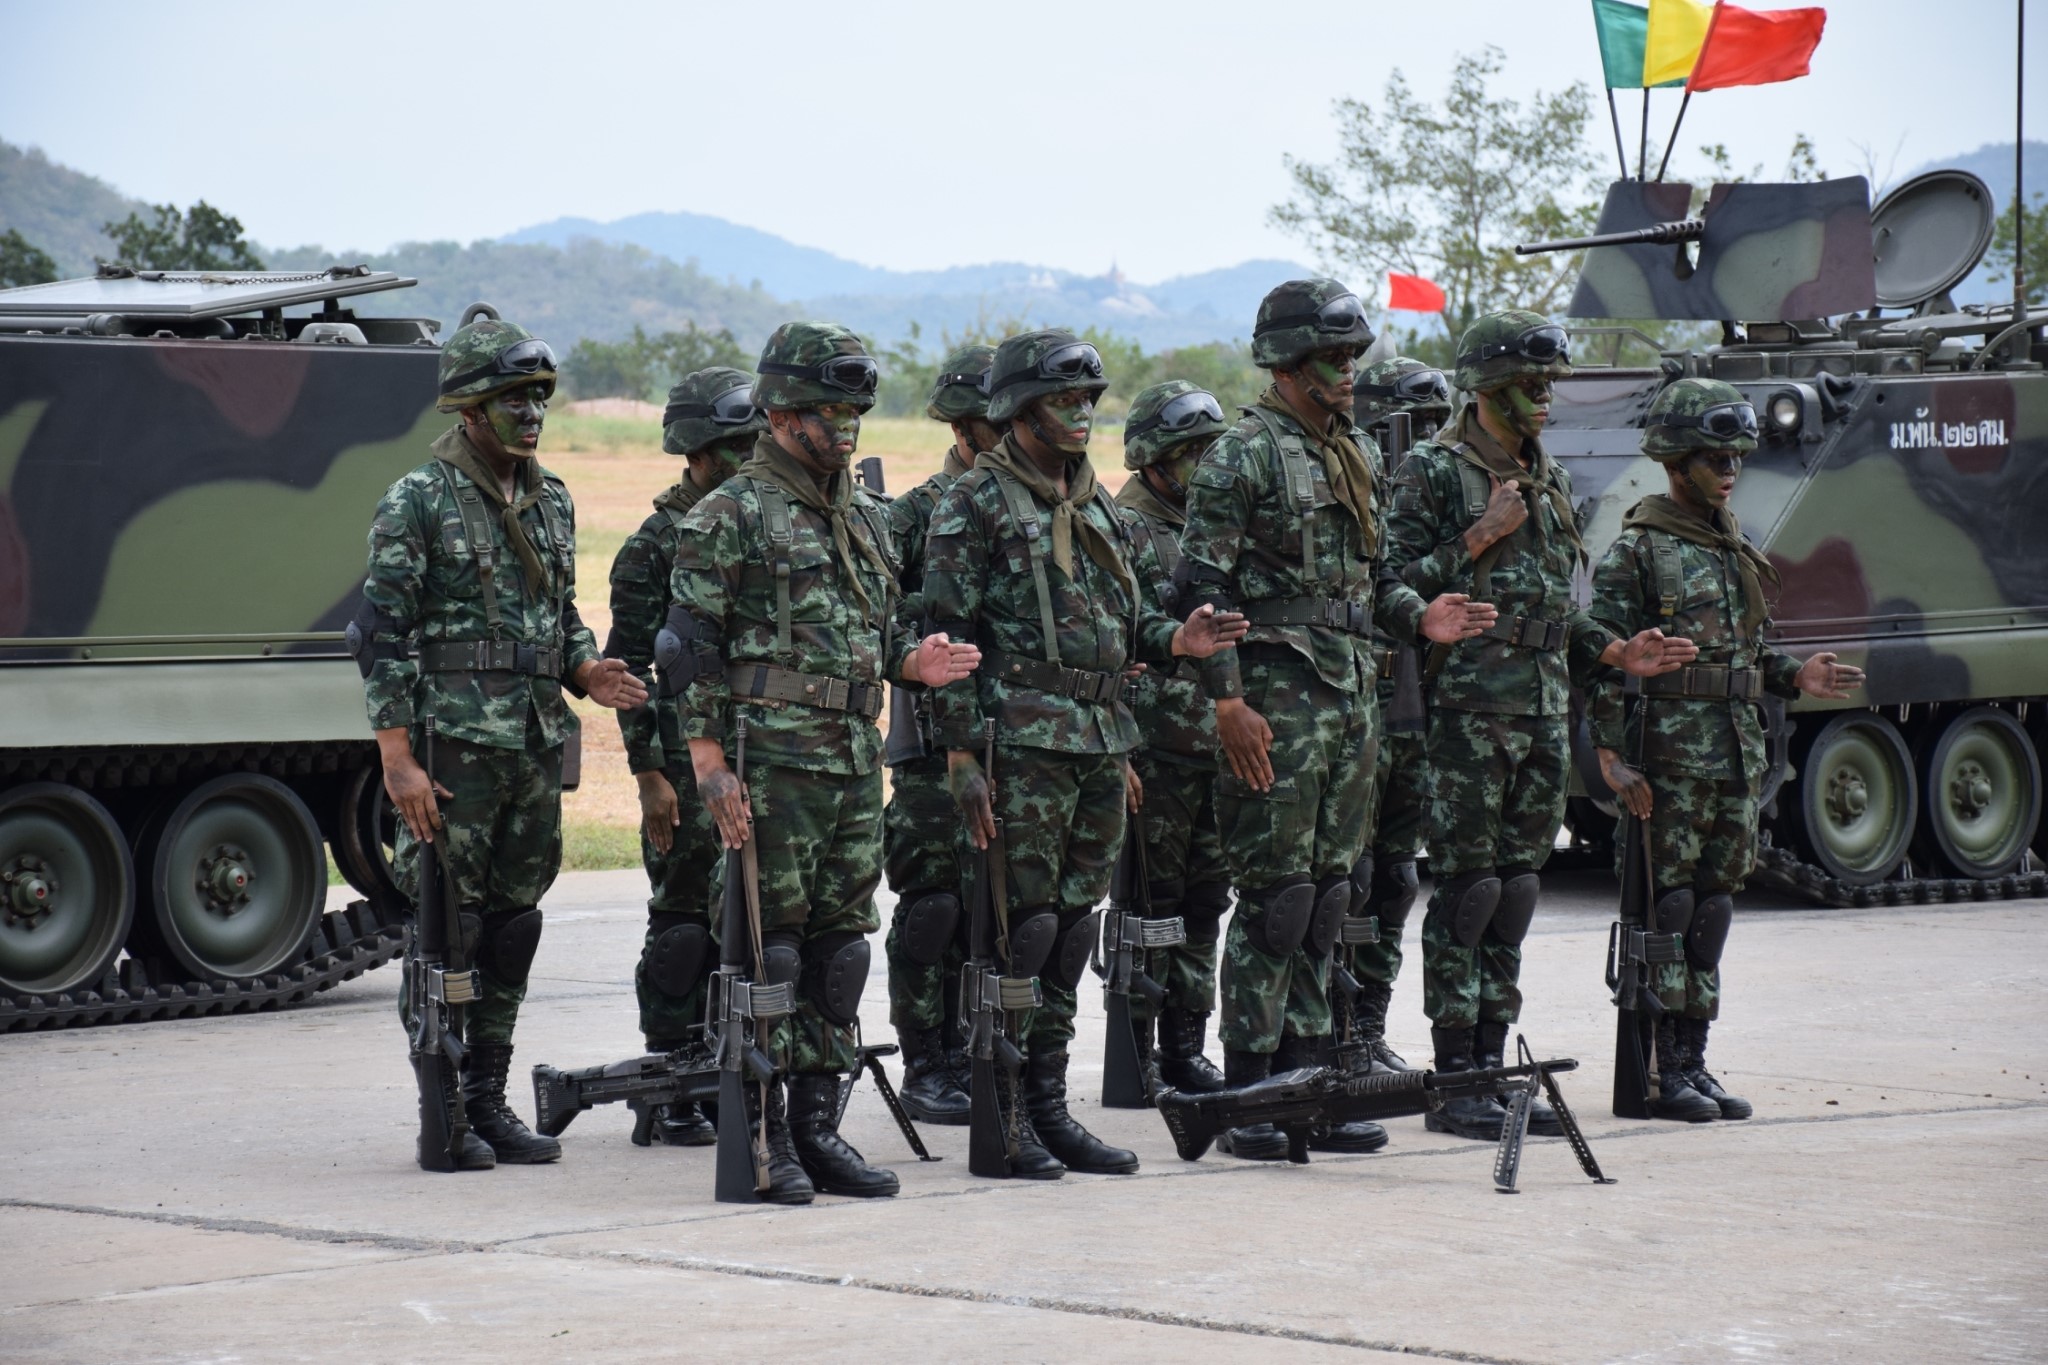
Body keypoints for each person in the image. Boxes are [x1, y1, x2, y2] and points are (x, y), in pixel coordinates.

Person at [1176, 279, 1495, 1161]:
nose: (1351, 371)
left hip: (1351, 701)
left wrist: (1416, 617)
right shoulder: (1240, 456)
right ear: (1287, 362)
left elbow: (1371, 578)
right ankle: (1248, 1098)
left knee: (1326, 901)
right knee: (1275, 902)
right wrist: (1228, 701)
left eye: (1355, 355)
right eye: (1334, 357)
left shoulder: (1351, 447)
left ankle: (1307, 1088)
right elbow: (1204, 588)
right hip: (1274, 704)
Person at [668, 321, 980, 1204]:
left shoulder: (865, 514)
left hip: (850, 761)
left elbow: (877, 632)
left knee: (842, 955)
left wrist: (911, 661)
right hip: (770, 765)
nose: (845, 425)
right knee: (773, 956)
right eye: (827, 409)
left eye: (854, 409)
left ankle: (818, 1125)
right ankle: (765, 1140)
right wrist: (707, 763)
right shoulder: (729, 512)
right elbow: (687, 647)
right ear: (780, 412)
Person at [924, 328, 1247, 1179]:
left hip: (1101, 740)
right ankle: (1004, 1116)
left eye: (1089, 401)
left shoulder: (1096, 502)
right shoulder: (978, 501)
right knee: (1017, 934)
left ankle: (1047, 1104)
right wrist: (961, 754)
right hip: (1019, 743)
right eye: (1064, 401)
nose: (1081, 415)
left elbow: (1123, 622)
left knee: (1069, 934)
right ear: (1020, 409)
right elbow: (947, 634)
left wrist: (1178, 637)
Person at [1382, 308, 1694, 1142]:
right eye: (1532, 382)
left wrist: (1616, 650)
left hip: (1543, 707)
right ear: (1488, 387)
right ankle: (1458, 1080)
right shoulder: (1434, 472)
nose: (1547, 396)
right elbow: (1387, 588)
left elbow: (1557, 611)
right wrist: (1479, 535)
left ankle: (1492, 1064)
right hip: (1467, 715)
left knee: (1516, 892)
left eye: (1551, 381)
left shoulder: (1544, 473)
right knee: (1469, 892)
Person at [354, 316, 648, 1170]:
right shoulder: (418, 498)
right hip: (451, 757)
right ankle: (442, 1110)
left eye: (539, 398)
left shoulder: (551, 499)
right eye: (512, 398)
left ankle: (488, 1095)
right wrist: (397, 759)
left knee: (512, 928)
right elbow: (382, 634)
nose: (530, 414)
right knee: (450, 929)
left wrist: (587, 672)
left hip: (529, 748)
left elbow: (558, 622)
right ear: (472, 408)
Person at [1587, 377, 1863, 1121]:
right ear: (1676, 460)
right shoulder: (1639, 552)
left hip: (1733, 759)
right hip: (1669, 764)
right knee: (1667, 913)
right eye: (1715, 457)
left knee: (1710, 914)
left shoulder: (1729, 544)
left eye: (1736, 455)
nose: (1730, 468)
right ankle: (1654, 1071)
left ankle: (1692, 1059)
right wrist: (1612, 760)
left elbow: (1748, 652)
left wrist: (1791, 674)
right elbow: (1599, 660)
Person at [605, 365, 766, 1146]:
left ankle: (719, 1068)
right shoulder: (651, 548)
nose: (750, 457)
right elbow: (631, 672)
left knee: (742, 924)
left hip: (746, 760)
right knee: (682, 930)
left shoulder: (757, 526)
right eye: (736, 446)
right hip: (678, 763)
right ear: (697, 452)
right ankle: (666, 1081)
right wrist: (649, 777)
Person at [880, 344, 1001, 1126]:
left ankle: (975, 1047)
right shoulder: (916, 514)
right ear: (963, 426)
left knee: (995, 909)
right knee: (934, 908)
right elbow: (875, 618)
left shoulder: (1034, 504)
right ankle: (928, 1061)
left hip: (1018, 742)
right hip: (931, 746)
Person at [1112, 379, 1234, 1093]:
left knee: (1203, 906)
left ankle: (1186, 1047)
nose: (1203, 466)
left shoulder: (1212, 527)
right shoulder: (1123, 526)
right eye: (1191, 452)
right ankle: (1138, 1051)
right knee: (1149, 908)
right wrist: (1122, 751)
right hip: (1153, 751)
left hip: (1210, 749)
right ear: (1156, 457)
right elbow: (1113, 647)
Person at [1343, 357, 1453, 1072]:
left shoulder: (1438, 493)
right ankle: (1336, 1033)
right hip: (1361, 710)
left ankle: (1369, 1026)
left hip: (1417, 712)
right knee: (1346, 880)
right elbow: (1388, 584)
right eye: (1416, 428)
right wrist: (1466, 545)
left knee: (1397, 876)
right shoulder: (1358, 494)